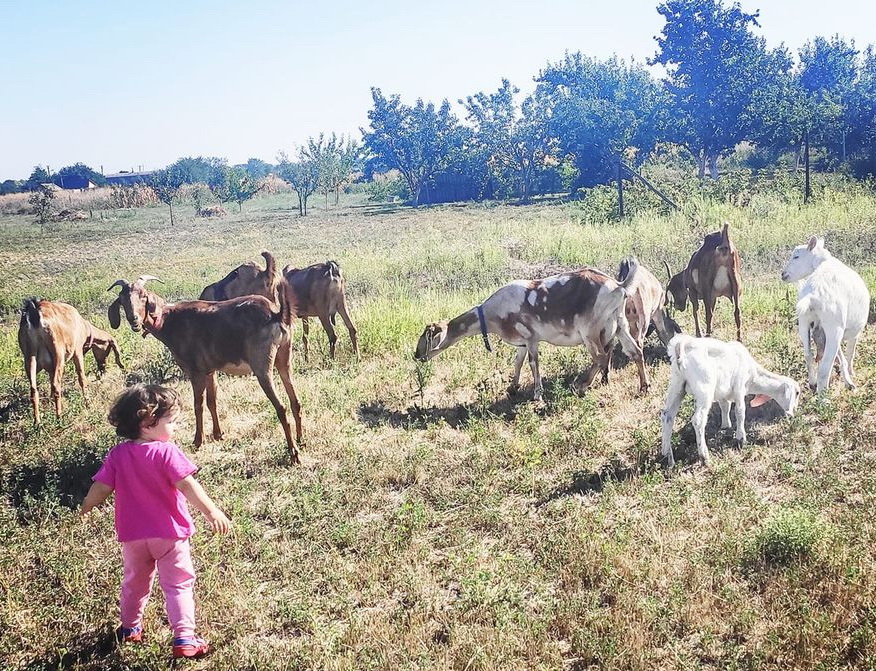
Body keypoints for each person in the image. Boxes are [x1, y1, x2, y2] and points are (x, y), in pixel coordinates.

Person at [81, 384, 231, 659]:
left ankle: (129, 629)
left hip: (134, 537)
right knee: (178, 584)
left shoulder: (118, 455)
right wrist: (212, 512)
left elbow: (100, 488)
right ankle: (185, 637)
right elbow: (188, 486)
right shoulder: (167, 452)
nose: (175, 427)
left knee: (134, 583)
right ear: (148, 422)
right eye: (171, 422)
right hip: (169, 535)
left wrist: (86, 507)